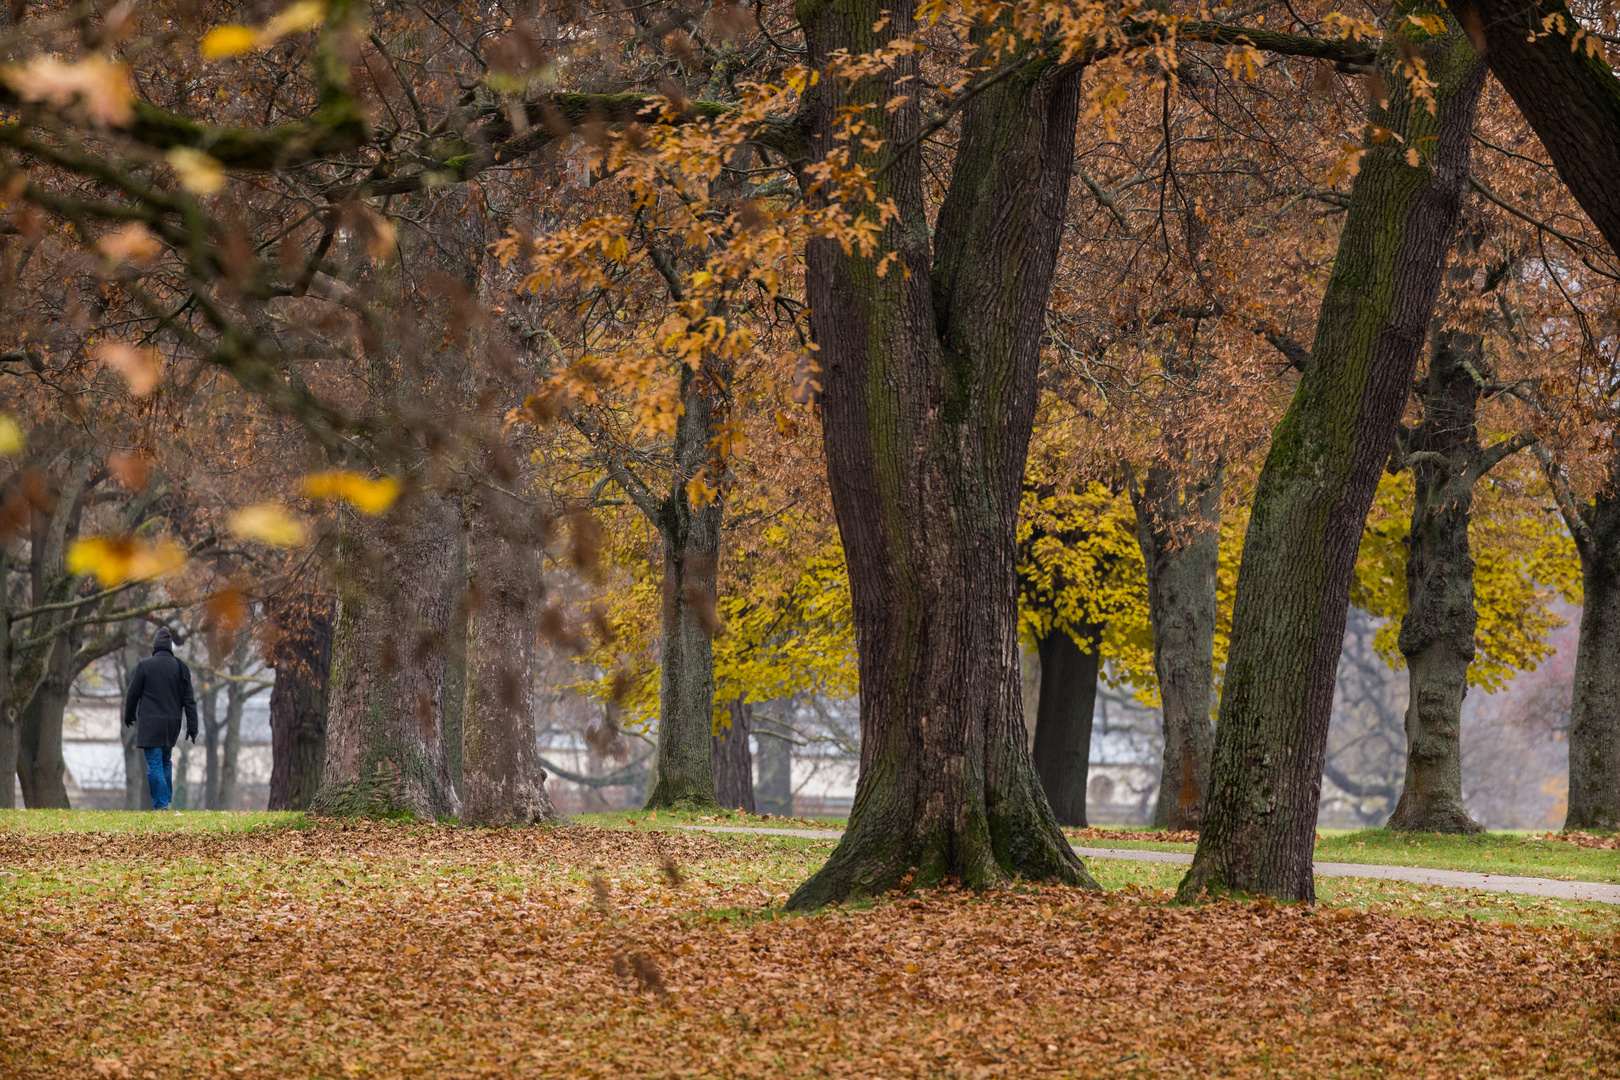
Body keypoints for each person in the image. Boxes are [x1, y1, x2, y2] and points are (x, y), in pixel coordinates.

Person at [122, 627, 199, 810]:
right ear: (170, 649)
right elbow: (189, 701)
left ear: (154, 648)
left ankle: (161, 804)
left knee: (155, 763)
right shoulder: (181, 668)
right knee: (165, 760)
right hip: (172, 725)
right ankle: (165, 801)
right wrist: (193, 726)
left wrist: (129, 714)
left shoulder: (145, 666)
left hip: (151, 724)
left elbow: (133, 694)